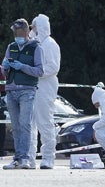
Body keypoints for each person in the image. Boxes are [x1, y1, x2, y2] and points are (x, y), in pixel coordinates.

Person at [1, 19, 44, 169]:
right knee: (16, 126)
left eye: (18, 33)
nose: (16, 35)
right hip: (11, 90)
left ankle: (25, 158)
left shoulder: (36, 48)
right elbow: (4, 71)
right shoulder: (11, 47)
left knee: (25, 124)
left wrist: (22, 66)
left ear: (26, 32)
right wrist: (4, 67)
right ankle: (17, 158)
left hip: (27, 90)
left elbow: (40, 71)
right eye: (14, 33)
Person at [26, 14, 61, 169]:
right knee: (29, 123)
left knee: (45, 122)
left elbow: (53, 67)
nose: (32, 30)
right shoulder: (34, 43)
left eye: (33, 27)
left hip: (45, 87)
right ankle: (29, 158)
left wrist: (34, 71)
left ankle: (48, 157)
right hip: (32, 86)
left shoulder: (50, 44)